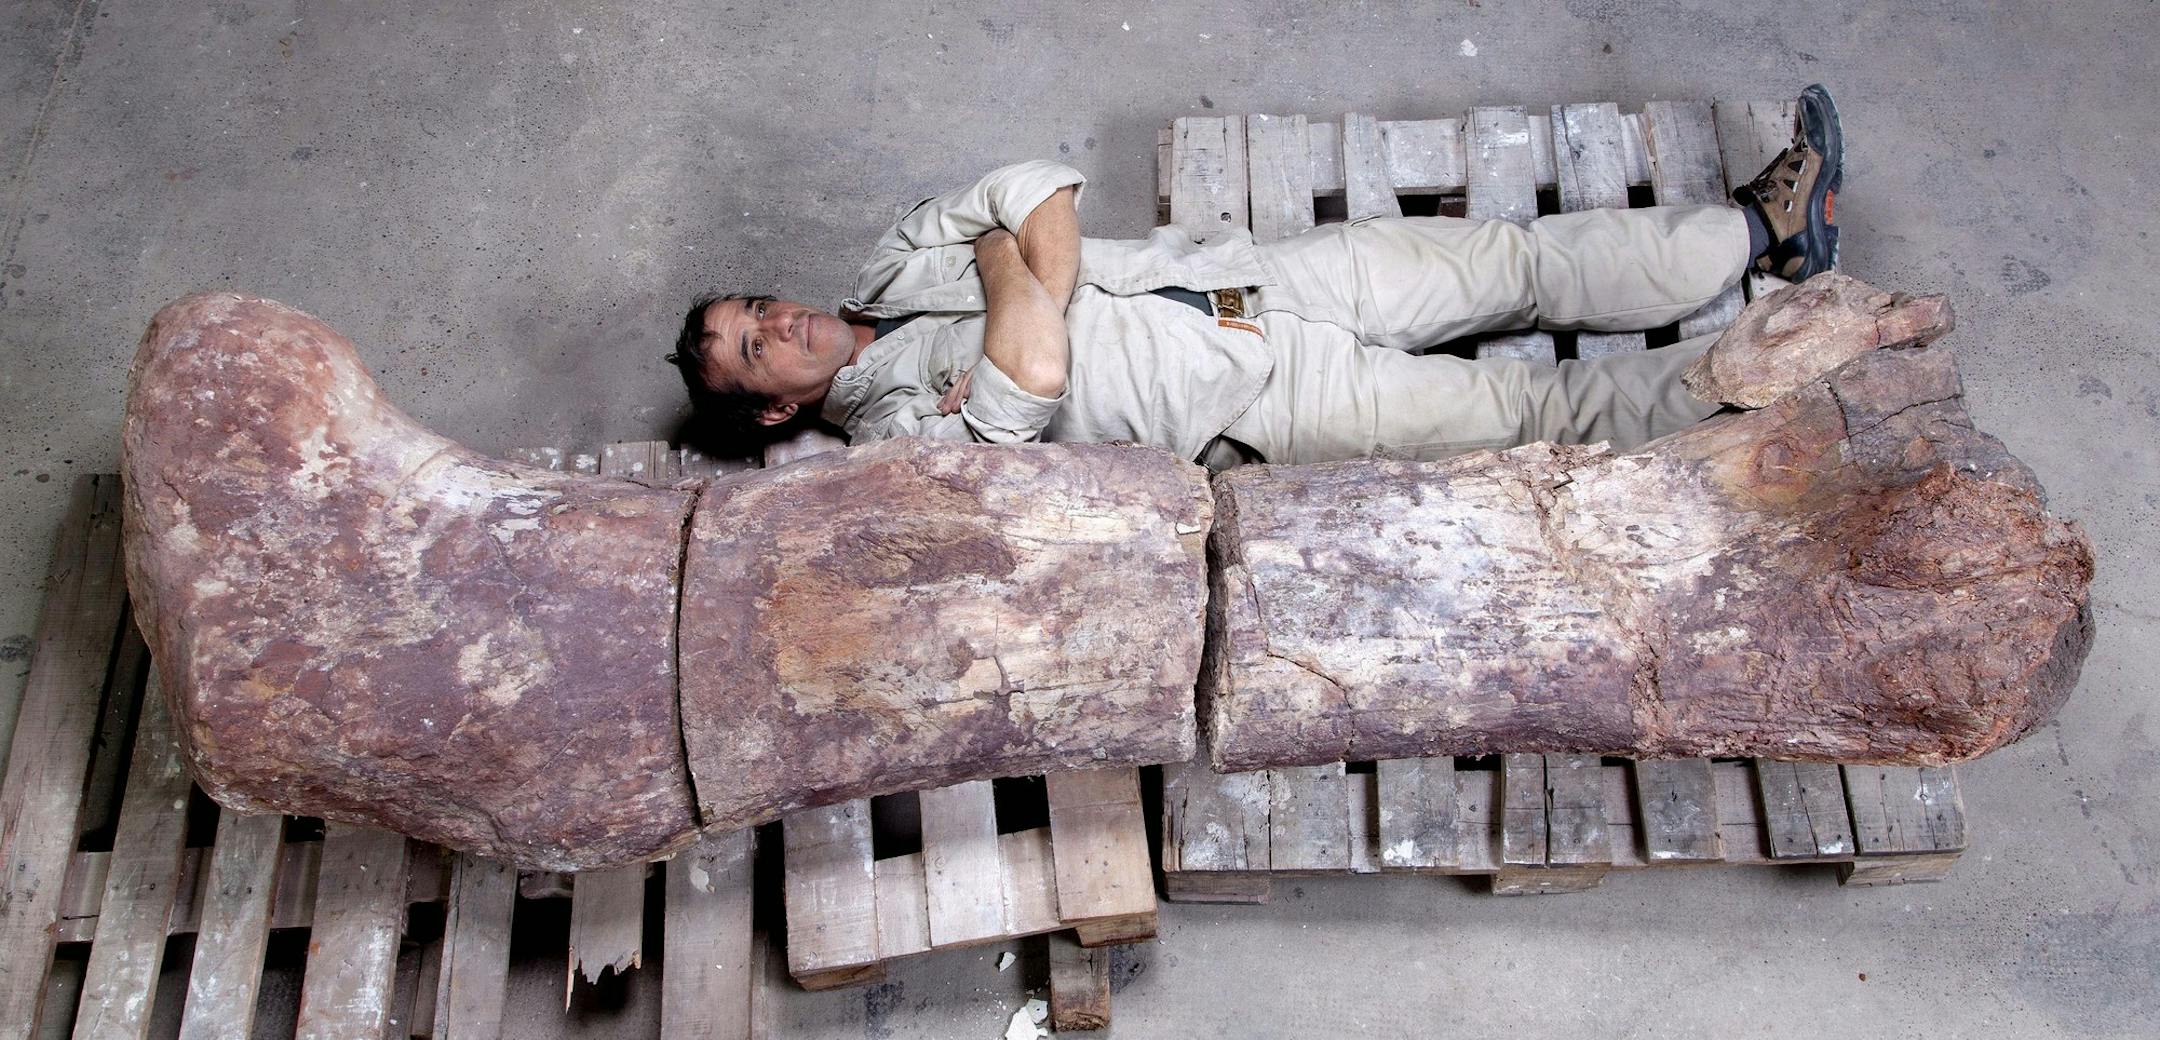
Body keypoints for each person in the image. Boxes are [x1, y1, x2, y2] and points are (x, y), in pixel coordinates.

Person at [669, 85, 1842, 469]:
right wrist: (998, 260)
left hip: (1251, 276)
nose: (778, 321)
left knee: (1517, 262)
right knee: (1531, 409)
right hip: (1260, 405)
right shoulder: (896, 453)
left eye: (756, 306)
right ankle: (1761, 381)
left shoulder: (883, 266)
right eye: (754, 345)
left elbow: (1040, 187)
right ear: (775, 406)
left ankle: (1759, 231)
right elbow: (1028, 366)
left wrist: (1023, 271)